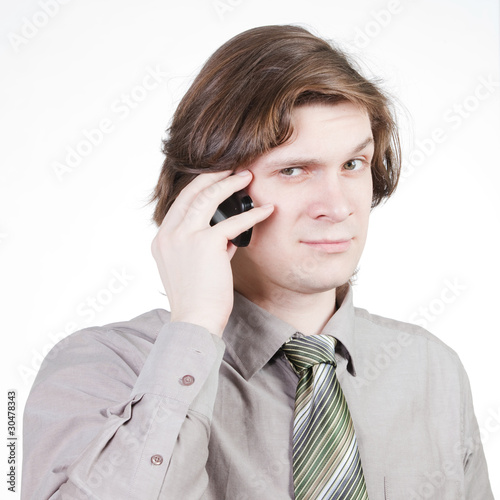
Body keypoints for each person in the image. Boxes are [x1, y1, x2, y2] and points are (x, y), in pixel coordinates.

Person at [22, 25, 493, 499]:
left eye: (353, 165)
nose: (338, 205)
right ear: (216, 196)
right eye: (293, 170)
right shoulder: (108, 367)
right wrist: (196, 326)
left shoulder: (432, 369)